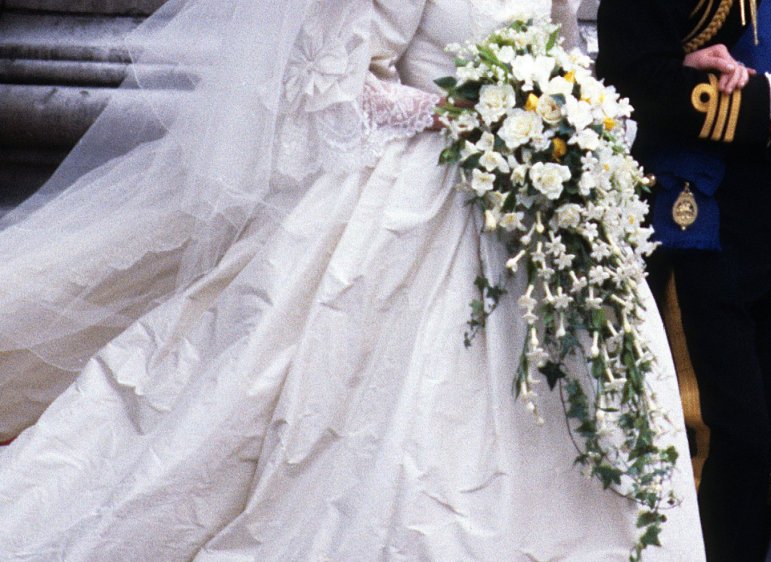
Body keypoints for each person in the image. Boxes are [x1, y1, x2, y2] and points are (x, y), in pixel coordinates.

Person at [0, 0, 706, 559]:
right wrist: (458, 115)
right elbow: (341, 82)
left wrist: (567, 116)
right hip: (418, 189)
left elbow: (564, 52)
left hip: (531, 203)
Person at [596, 1, 771, 560]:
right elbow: (632, 82)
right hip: (692, 228)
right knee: (717, 441)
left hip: (766, 238)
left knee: (756, 457)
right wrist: (769, 98)